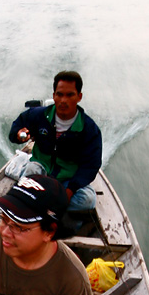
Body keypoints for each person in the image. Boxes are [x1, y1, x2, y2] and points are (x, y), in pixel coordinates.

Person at [9, 70, 102, 213]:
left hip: (67, 179)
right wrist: (19, 133)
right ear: (54, 96)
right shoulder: (38, 115)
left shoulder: (90, 129)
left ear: (79, 97)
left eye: (70, 95)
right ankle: (50, 203)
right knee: (32, 169)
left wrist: (70, 191)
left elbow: (91, 166)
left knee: (88, 200)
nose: (63, 100)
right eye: (59, 94)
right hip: (41, 168)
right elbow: (17, 127)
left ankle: (37, 200)